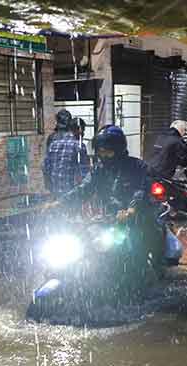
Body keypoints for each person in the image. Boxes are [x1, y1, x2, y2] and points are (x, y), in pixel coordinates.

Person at [44, 125, 164, 267]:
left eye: (108, 151)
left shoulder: (136, 166)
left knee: (136, 256)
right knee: (88, 249)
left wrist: (131, 209)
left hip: (136, 219)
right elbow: (84, 188)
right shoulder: (99, 169)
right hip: (111, 219)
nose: (104, 155)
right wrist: (60, 203)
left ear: (118, 149)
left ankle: (144, 279)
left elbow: (139, 190)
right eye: (101, 151)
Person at [43, 109, 83, 196]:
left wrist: (49, 185)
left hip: (55, 186)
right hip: (70, 187)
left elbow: (47, 165)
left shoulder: (52, 138)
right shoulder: (74, 140)